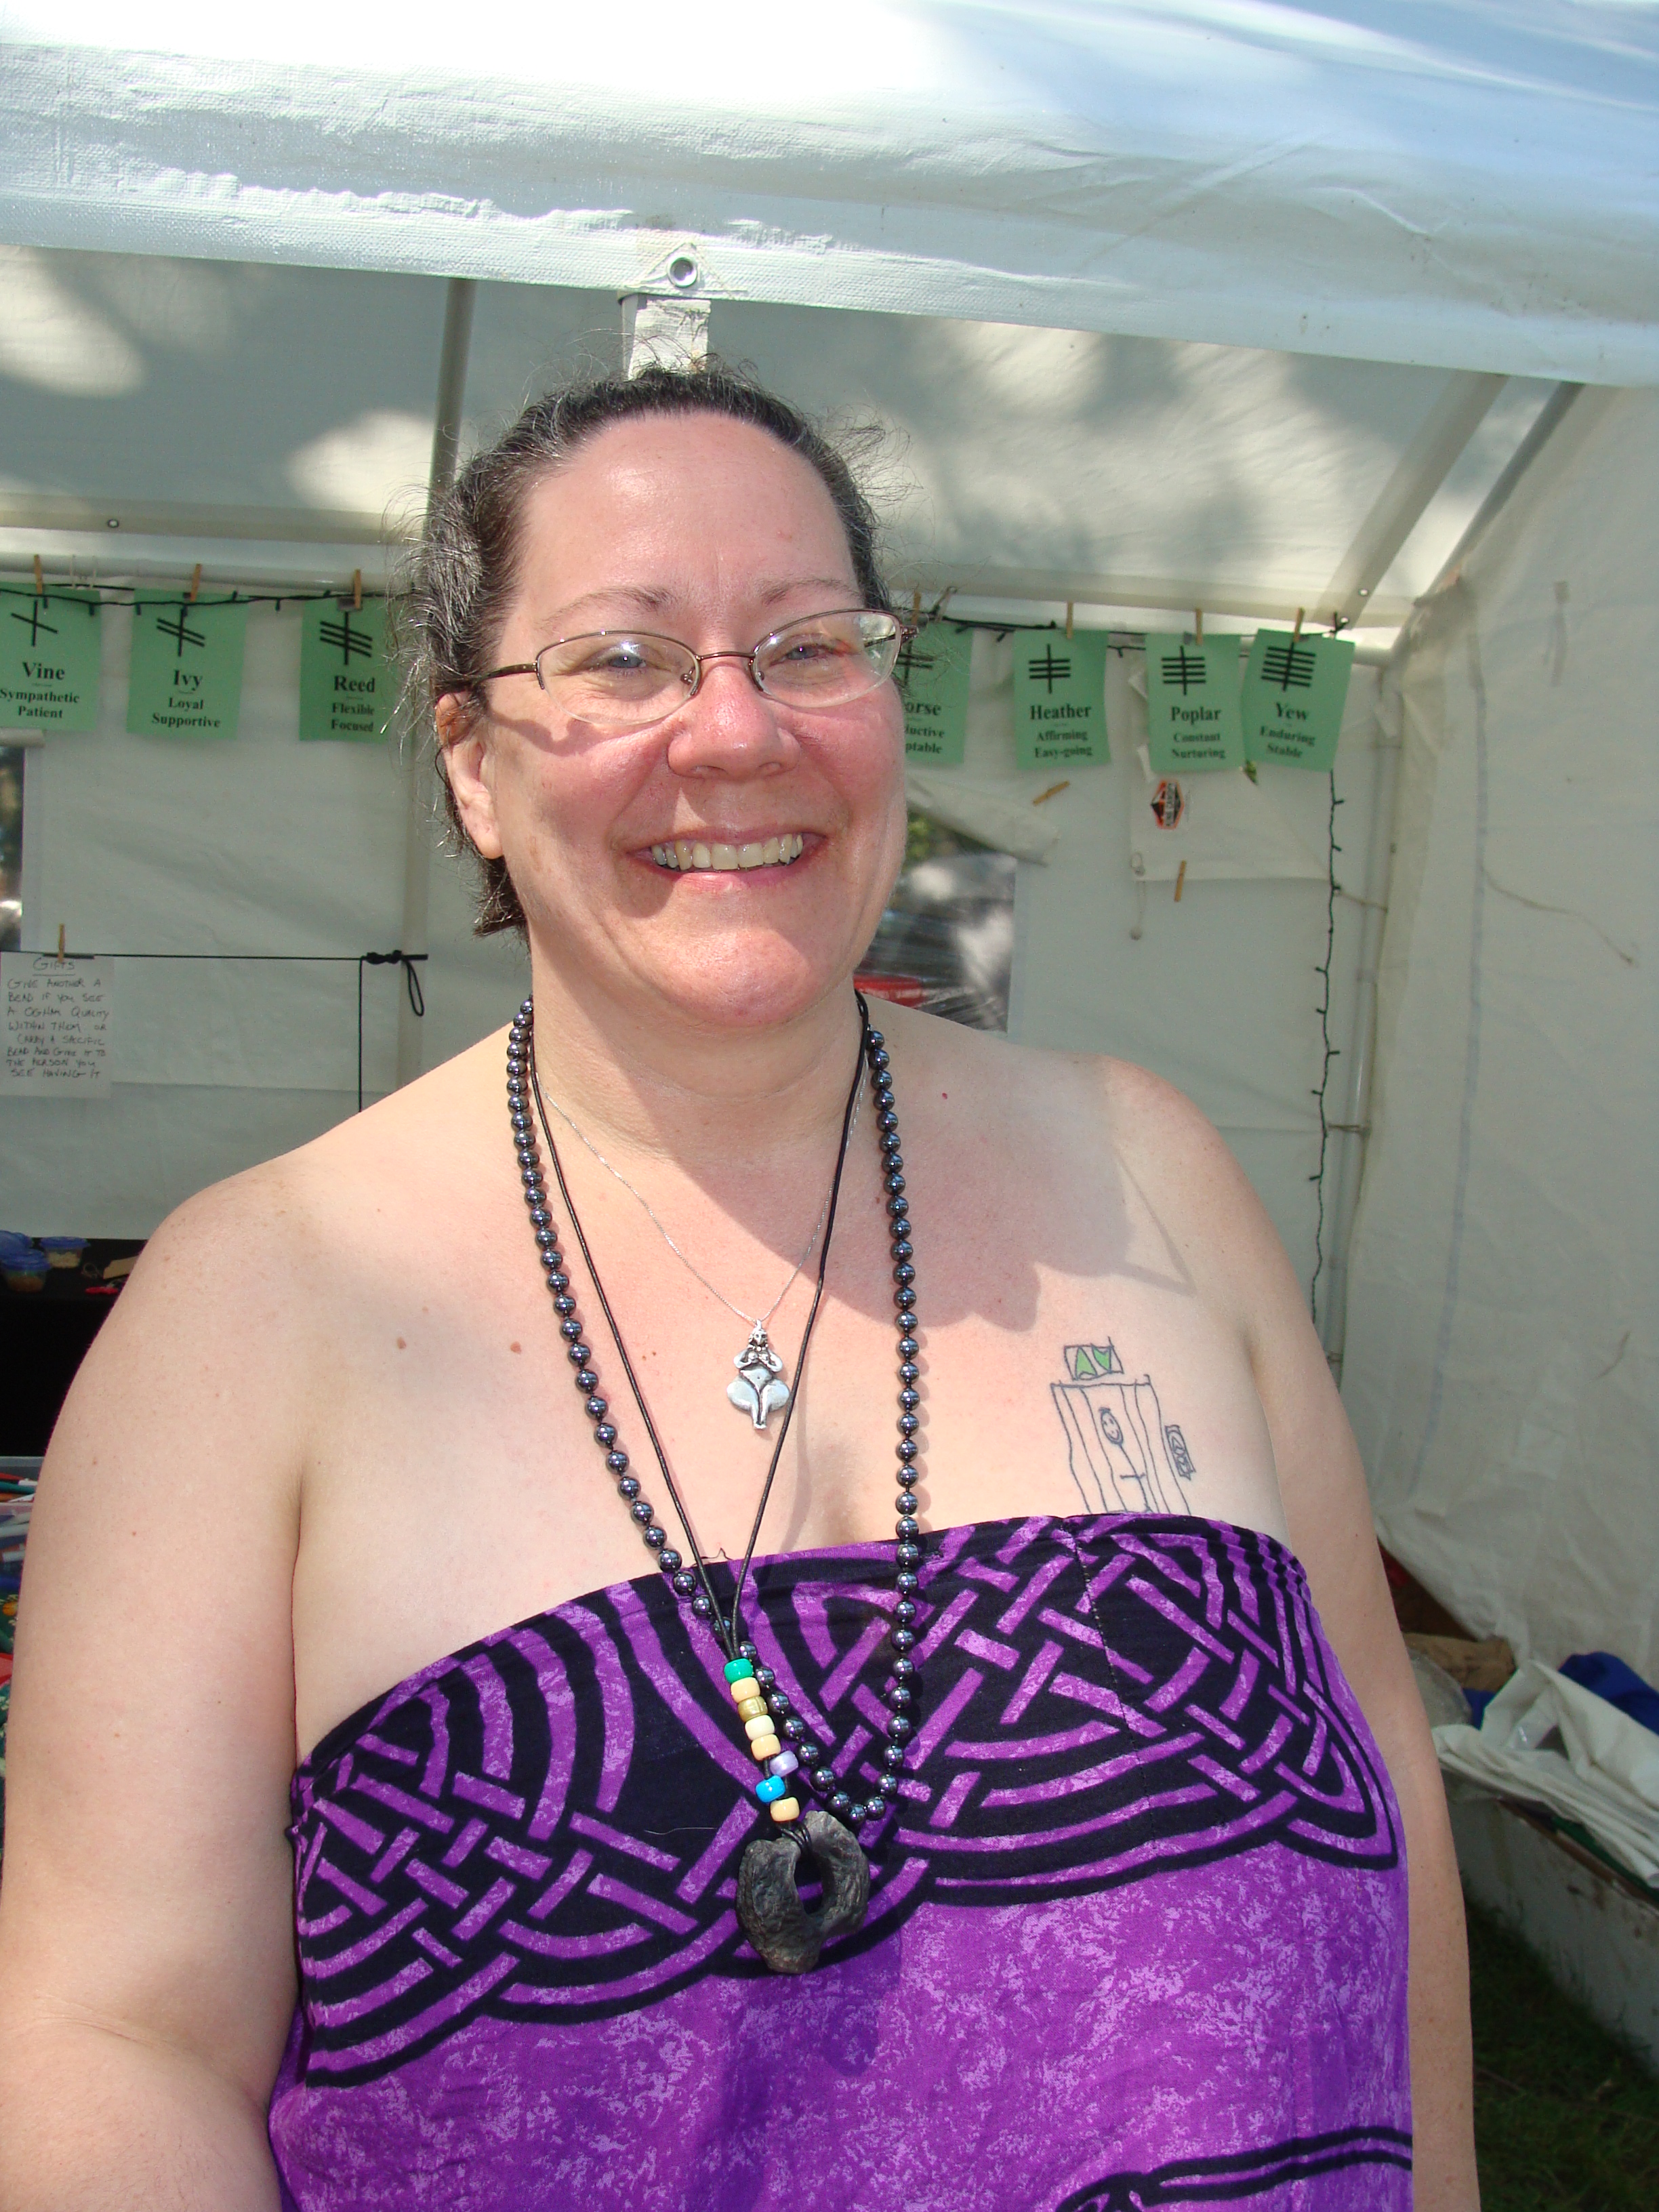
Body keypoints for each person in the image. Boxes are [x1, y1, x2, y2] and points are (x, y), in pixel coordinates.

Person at [0, 366, 1478, 2210]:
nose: (734, 729)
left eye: (809, 645)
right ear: (472, 762)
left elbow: (1386, 1767)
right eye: (623, 659)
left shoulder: (1149, 1176)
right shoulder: (253, 1310)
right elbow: (118, 2039)